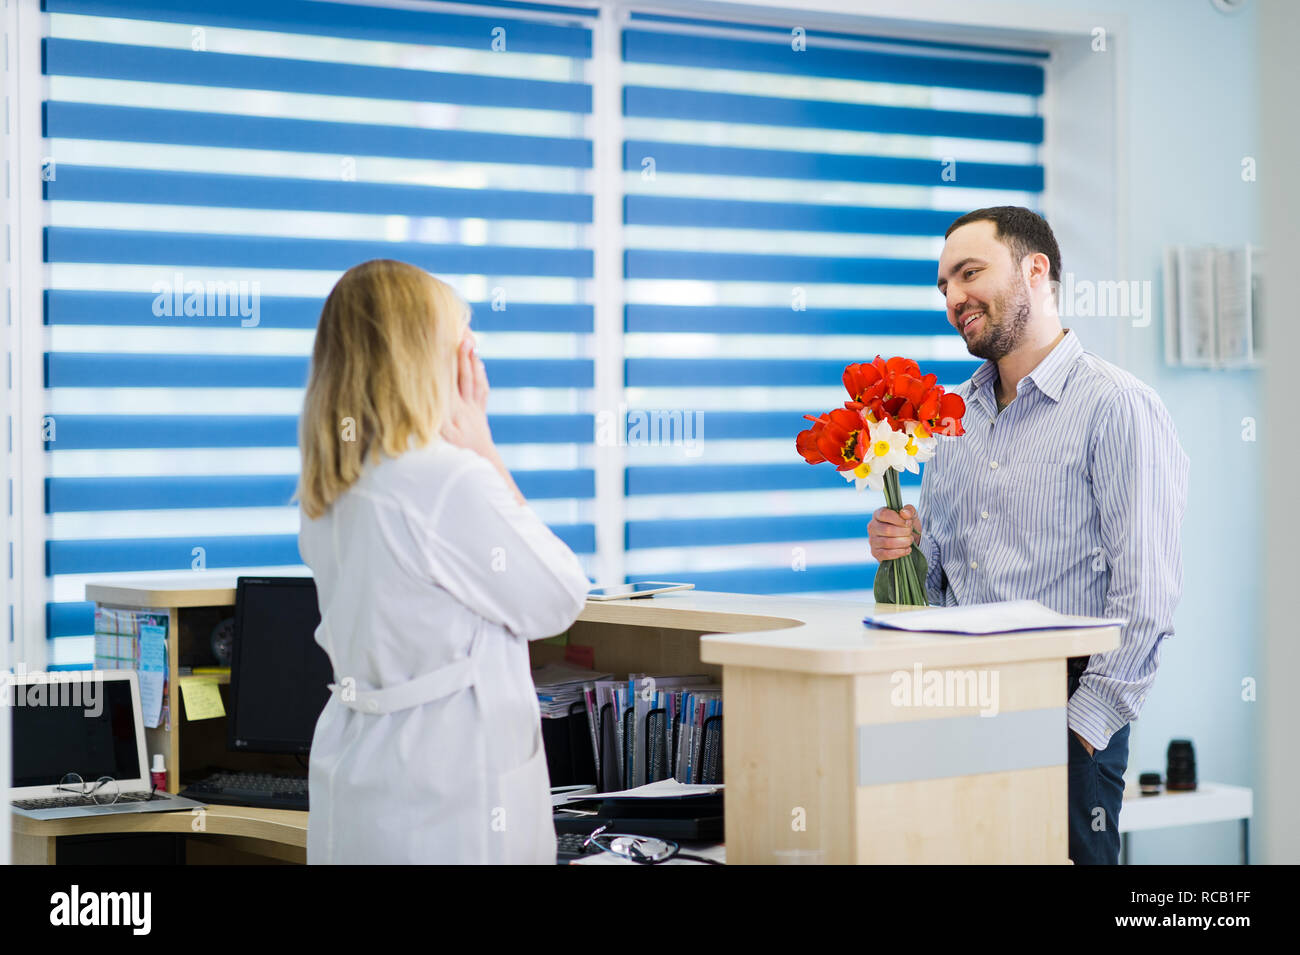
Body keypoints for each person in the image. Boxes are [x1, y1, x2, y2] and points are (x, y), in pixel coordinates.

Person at [867, 207, 1189, 865]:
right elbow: (935, 592)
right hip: (956, 712)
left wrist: (1083, 732)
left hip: (1066, 716)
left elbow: (1146, 593)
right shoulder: (951, 423)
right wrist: (902, 551)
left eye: (969, 272)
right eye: (944, 286)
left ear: (1034, 269)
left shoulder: (1117, 406)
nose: (954, 297)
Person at [296, 259, 590, 864]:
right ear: (427, 357)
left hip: (361, 779)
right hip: (449, 794)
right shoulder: (443, 478)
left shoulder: (332, 490)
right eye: (464, 342)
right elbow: (559, 596)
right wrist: (482, 444)